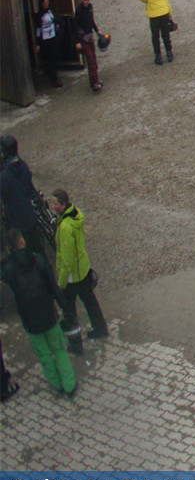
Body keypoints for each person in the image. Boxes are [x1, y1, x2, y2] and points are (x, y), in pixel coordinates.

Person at [0, 228, 74, 398]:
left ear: (9, 248)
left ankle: (56, 384)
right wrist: (65, 308)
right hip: (48, 314)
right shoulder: (39, 259)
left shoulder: (8, 269)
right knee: (59, 350)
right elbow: (53, 287)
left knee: (44, 355)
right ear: (22, 241)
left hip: (30, 321)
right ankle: (69, 385)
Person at [49, 189, 108, 352]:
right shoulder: (75, 215)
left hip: (72, 276)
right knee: (90, 301)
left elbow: (67, 259)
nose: (53, 207)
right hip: (82, 269)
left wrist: (61, 281)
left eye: (55, 204)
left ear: (63, 205)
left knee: (69, 309)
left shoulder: (65, 227)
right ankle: (100, 328)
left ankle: (76, 343)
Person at [0, 135, 51, 261]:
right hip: (30, 214)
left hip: (17, 219)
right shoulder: (22, 165)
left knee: (24, 251)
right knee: (38, 247)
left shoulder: (5, 177)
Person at [140, 0, 174, 65]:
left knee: (155, 37)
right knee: (165, 35)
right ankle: (169, 54)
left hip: (154, 16)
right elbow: (166, 0)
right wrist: (170, 13)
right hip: (164, 13)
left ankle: (158, 57)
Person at [72, 0, 102, 92]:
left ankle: (96, 79)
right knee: (90, 60)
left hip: (89, 36)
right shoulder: (79, 10)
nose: (86, 2)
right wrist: (77, 42)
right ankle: (93, 82)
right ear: (82, 0)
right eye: (84, 0)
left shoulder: (90, 7)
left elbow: (91, 20)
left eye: (87, 0)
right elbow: (75, 26)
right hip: (83, 37)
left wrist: (97, 30)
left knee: (93, 58)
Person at [35, 0, 62, 88]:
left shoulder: (49, 11)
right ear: (42, 3)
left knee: (56, 56)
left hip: (53, 36)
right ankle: (54, 79)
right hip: (46, 39)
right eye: (46, 1)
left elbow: (53, 19)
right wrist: (37, 43)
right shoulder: (40, 15)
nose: (48, 3)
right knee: (51, 58)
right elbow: (38, 30)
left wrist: (56, 24)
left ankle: (52, 73)